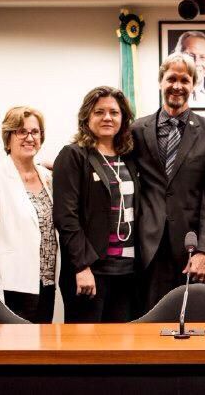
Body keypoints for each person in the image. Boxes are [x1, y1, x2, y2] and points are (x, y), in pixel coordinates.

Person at [132, 53, 205, 311]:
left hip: (191, 246)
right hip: (148, 246)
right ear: (160, 82)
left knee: (193, 323)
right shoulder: (138, 130)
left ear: (194, 85)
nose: (177, 85)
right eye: (171, 78)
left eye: (184, 80)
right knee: (149, 324)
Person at [53, 86, 139, 322]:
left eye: (114, 112)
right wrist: (82, 267)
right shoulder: (73, 156)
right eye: (99, 112)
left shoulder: (129, 157)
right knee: (86, 351)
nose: (108, 117)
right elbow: (66, 217)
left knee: (121, 350)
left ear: (123, 118)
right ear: (87, 117)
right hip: (91, 272)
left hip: (127, 272)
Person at [0, 106, 56, 323]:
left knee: (41, 352)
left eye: (35, 132)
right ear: (8, 138)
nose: (29, 137)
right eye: (21, 131)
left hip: (45, 284)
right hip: (11, 286)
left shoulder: (48, 177)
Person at [172, 31, 205, 103]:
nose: (197, 63)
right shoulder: (168, 91)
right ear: (177, 56)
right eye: (191, 56)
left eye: (203, 57)